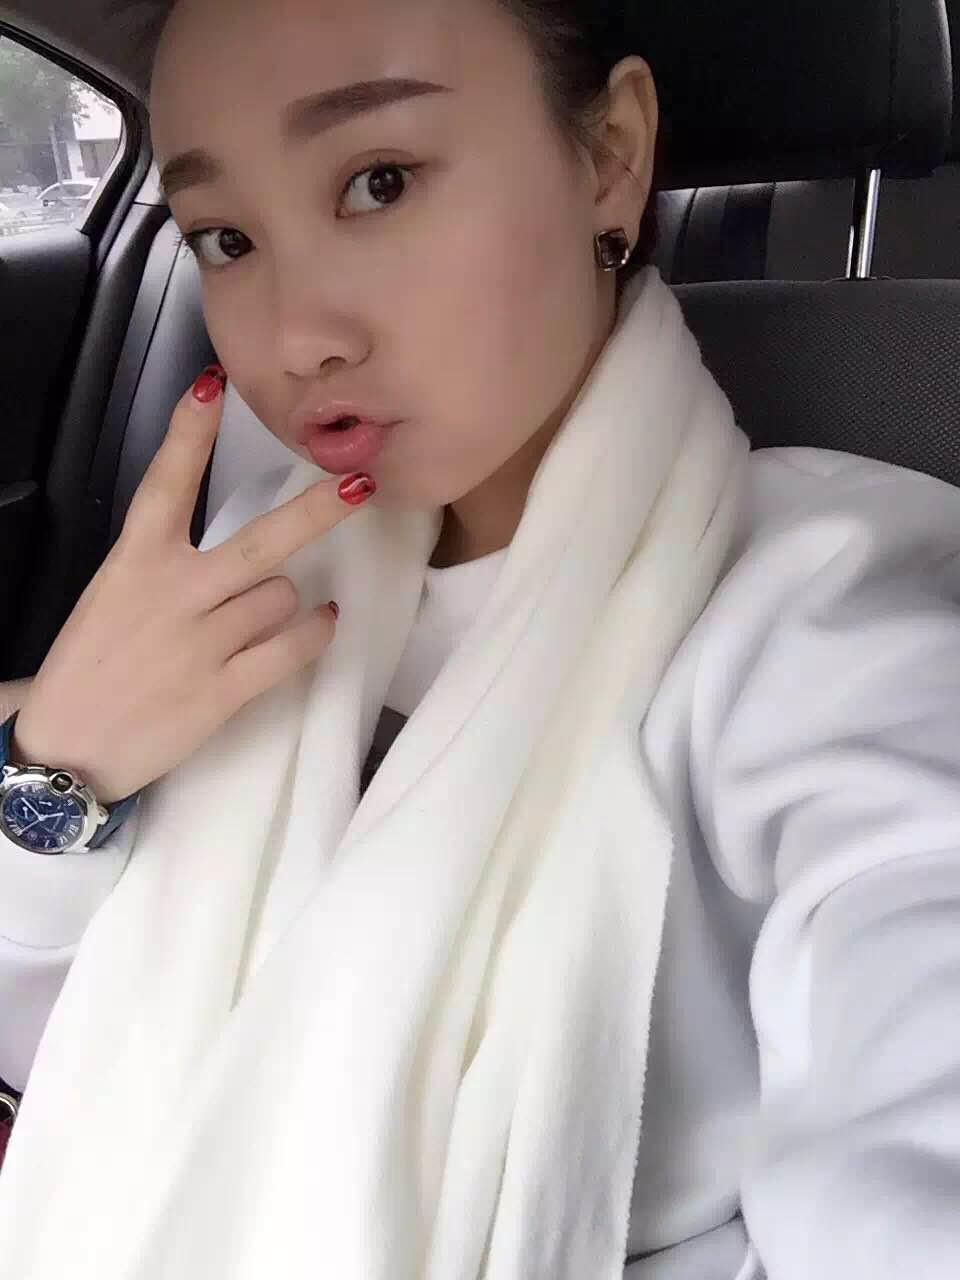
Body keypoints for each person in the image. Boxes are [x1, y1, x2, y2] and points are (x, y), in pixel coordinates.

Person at [1, 2, 960, 1277]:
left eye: (380, 182)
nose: (297, 338)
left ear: (610, 157)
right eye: (226, 237)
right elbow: (76, 1077)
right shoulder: (245, 563)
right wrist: (58, 769)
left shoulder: (826, 611)